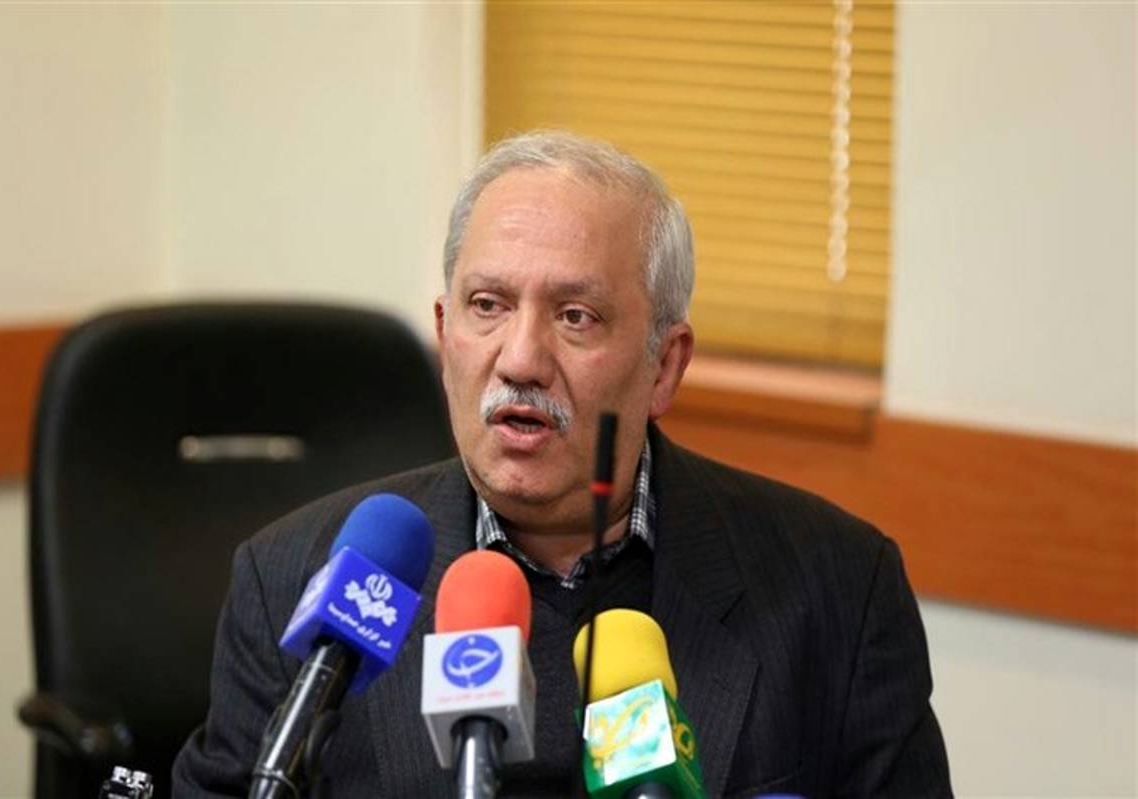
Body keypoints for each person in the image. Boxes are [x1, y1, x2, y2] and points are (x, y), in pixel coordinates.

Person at [173, 130, 952, 797]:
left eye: (576, 316)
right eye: (488, 305)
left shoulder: (838, 591)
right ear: (444, 336)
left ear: (664, 365)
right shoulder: (290, 579)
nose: (520, 358)